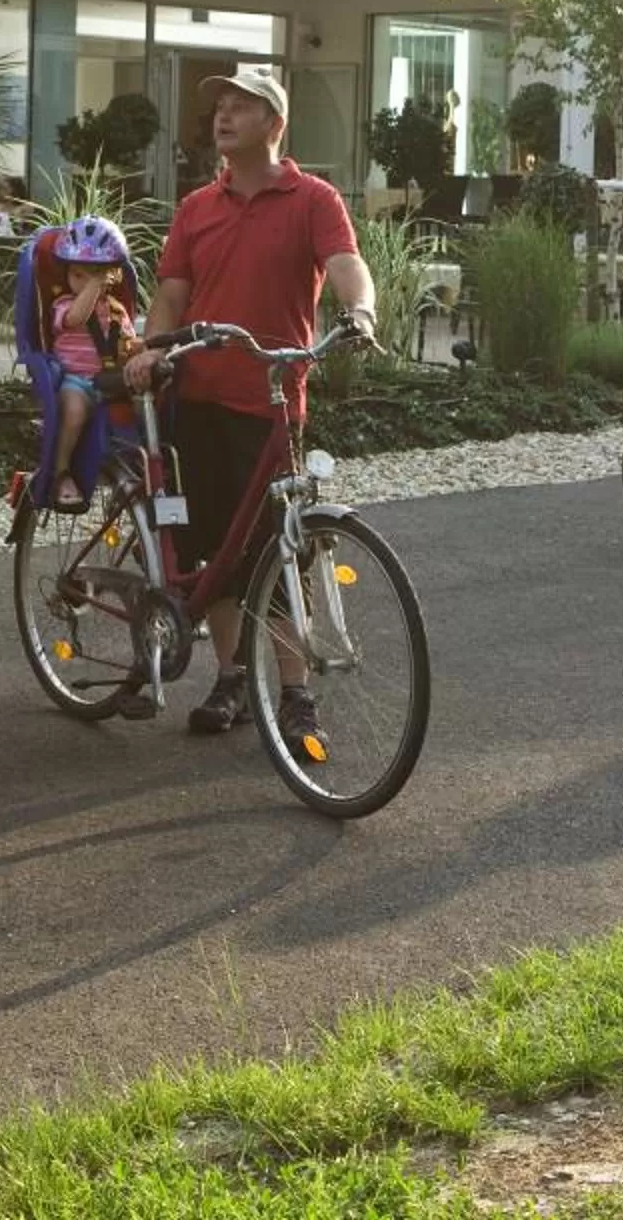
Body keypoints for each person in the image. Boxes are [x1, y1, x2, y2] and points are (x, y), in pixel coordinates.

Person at [120, 64, 376, 742]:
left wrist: (361, 310)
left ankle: (294, 692)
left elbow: (347, 264)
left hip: (270, 402)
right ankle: (231, 675)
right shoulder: (196, 208)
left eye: (241, 106)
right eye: (219, 107)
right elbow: (173, 292)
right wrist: (150, 348)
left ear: (275, 123)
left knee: (277, 548)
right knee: (212, 546)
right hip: (197, 394)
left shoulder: (313, 199)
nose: (223, 116)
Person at [43, 216, 138, 508]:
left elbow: (129, 342)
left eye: (93, 274)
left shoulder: (115, 309)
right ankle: (61, 472)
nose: (83, 281)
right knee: (73, 411)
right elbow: (76, 319)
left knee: (147, 407)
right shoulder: (64, 305)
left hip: (110, 380)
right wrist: (93, 286)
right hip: (76, 380)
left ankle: (135, 473)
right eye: (77, 274)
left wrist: (141, 351)